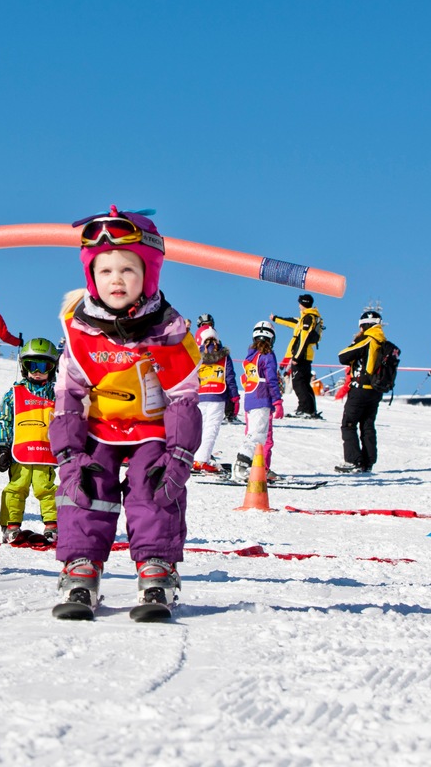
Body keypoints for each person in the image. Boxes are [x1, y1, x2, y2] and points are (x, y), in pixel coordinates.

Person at [50, 208, 201, 615]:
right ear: (92, 279)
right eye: (106, 271)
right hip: (99, 426)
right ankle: (81, 568)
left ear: (148, 275)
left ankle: (156, 568)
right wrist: (68, 452)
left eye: (128, 270)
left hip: (151, 428)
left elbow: (184, 395)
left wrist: (180, 453)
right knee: (87, 481)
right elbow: (69, 391)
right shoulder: (80, 330)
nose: (116, 279)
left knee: (151, 484)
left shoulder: (168, 330)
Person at [0, 337, 59, 544]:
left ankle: (53, 525)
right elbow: (3, 420)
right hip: (19, 453)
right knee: (16, 487)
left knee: (45, 489)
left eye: (43, 366)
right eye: (32, 365)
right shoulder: (14, 394)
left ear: (53, 368)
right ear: (23, 367)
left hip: (44, 453)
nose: (37, 371)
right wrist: (2, 446)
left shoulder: (57, 395)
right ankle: (11, 526)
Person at [231, 321, 284, 481]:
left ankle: (245, 466)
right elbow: (272, 379)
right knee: (258, 435)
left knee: (254, 433)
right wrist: (277, 401)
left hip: (251, 398)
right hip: (262, 397)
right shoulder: (267, 355)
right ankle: (241, 466)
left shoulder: (251, 356)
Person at [335, 309, 387, 473]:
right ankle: (368, 461)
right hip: (375, 390)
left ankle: (353, 461)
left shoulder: (367, 339)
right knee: (367, 424)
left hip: (360, 389)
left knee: (348, 424)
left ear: (364, 325)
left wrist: (354, 343)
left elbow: (343, 356)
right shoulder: (382, 341)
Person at [193, 327, 240, 473]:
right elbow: (230, 377)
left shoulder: (196, 355)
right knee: (210, 429)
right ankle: (201, 460)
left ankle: (194, 457)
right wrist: (234, 397)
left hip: (200, 396)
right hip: (217, 396)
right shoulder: (224, 356)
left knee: (198, 429)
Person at [272, 294, 324, 418]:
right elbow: (290, 321)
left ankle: (304, 409)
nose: (298, 305)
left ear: (302, 304)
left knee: (299, 383)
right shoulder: (308, 317)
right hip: (306, 356)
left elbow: (303, 339)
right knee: (304, 383)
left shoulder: (307, 318)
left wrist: (296, 357)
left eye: (299, 303)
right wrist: (276, 318)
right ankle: (310, 410)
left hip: (302, 356)